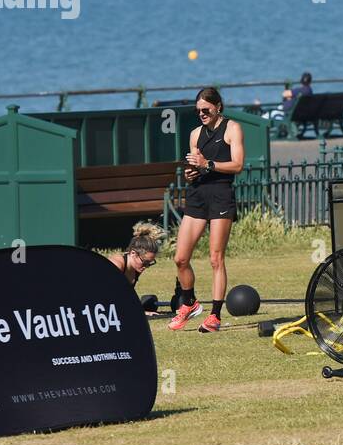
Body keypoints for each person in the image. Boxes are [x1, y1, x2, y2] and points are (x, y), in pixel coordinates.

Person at [170, 87, 246, 333]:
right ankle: (190, 303)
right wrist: (191, 172)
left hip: (221, 195)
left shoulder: (232, 128)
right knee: (180, 258)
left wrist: (208, 164)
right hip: (198, 195)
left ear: (218, 106)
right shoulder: (195, 134)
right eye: (198, 111)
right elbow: (195, 167)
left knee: (215, 258)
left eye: (206, 110)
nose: (202, 114)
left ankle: (214, 316)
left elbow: (238, 165)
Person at [105, 221, 165, 288]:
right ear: (133, 253)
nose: (146, 266)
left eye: (150, 263)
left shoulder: (136, 267)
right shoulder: (116, 265)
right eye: (145, 262)